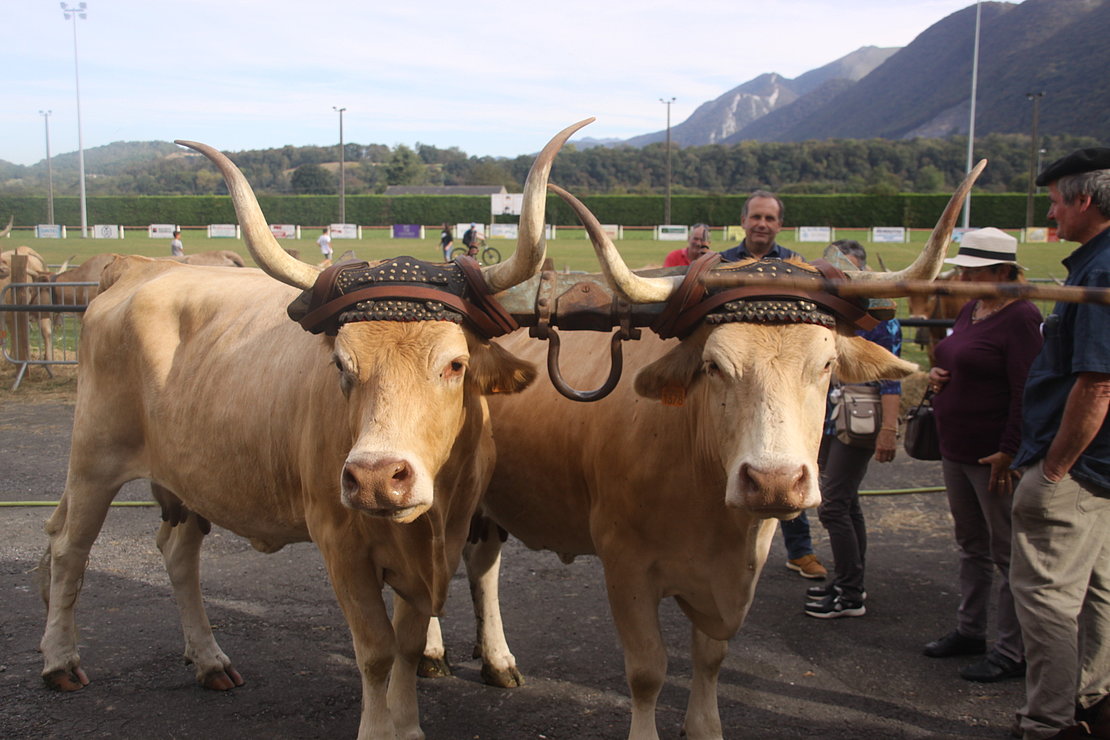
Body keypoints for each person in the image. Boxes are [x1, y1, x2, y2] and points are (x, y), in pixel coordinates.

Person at [1009, 147, 1110, 740]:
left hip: (1075, 470)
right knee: (1099, 592)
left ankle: (1046, 722)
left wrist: (1053, 469)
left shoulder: (1099, 272)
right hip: (1101, 470)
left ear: (1084, 200)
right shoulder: (1094, 263)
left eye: (1054, 202)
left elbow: (1097, 383)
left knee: (1045, 597)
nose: (1052, 215)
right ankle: (1093, 704)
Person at [921, 228, 1042, 683]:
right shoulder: (974, 309)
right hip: (957, 448)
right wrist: (938, 374)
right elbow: (958, 354)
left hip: (992, 455)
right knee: (971, 546)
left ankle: (1012, 650)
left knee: (1007, 552)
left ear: (1000, 271)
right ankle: (970, 629)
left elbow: (1026, 388)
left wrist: (1010, 449)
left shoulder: (1022, 318)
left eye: (970, 270)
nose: (962, 276)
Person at [804, 240, 901, 619]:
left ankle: (849, 592)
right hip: (832, 417)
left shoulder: (880, 317)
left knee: (833, 505)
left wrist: (889, 428)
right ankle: (850, 582)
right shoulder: (832, 312)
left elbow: (891, 378)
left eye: (844, 270)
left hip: (858, 416)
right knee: (846, 502)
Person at [719, 190, 802, 262]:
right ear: (743, 221)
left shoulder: (795, 263)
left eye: (769, 218)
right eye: (756, 217)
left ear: (779, 225)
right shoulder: (722, 261)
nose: (762, 224)